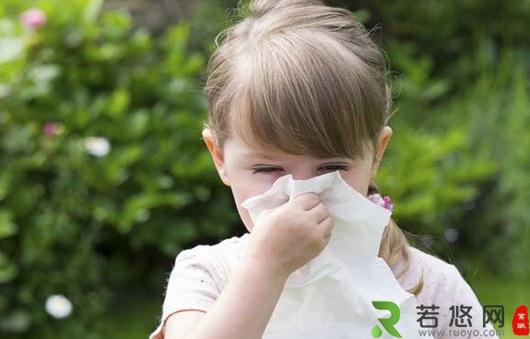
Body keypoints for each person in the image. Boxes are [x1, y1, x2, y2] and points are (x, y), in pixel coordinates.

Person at [149, 1, 499, 338]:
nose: (303, 192)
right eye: (269, 168)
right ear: (220, 158)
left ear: (376, 154)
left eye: (332, 166)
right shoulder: (208, 276)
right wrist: (265, 267)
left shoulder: (428, 286)